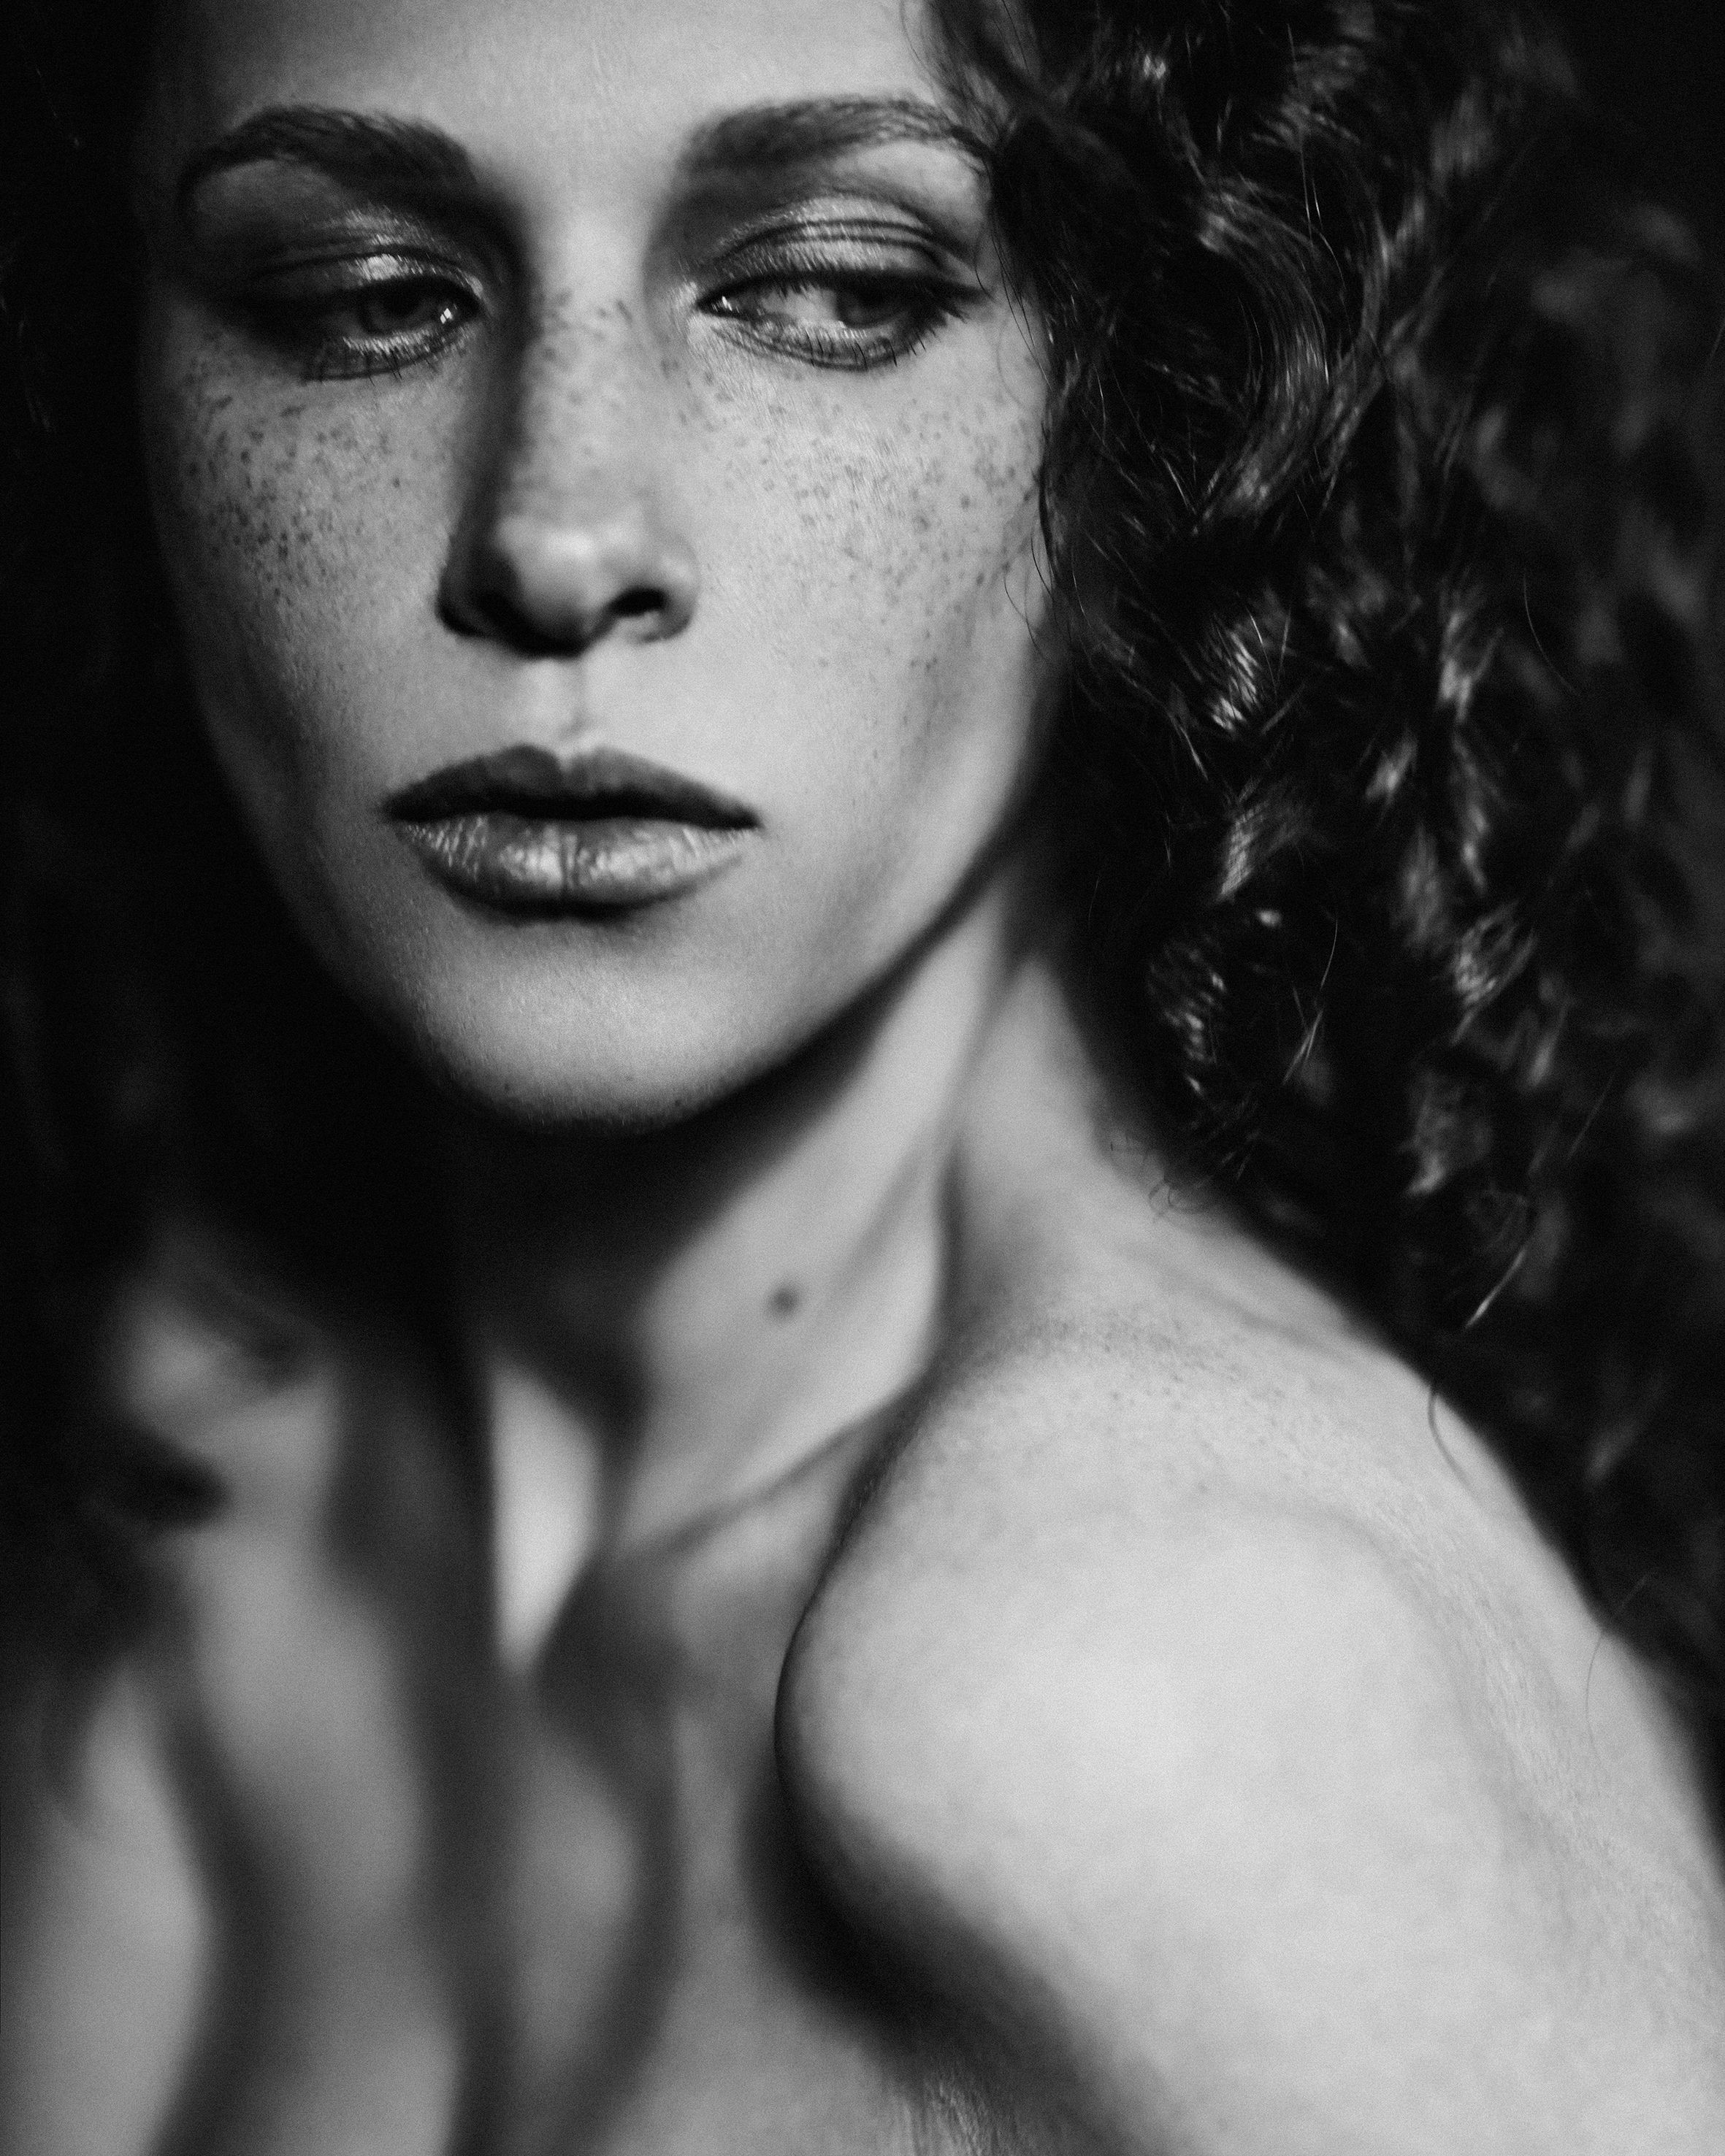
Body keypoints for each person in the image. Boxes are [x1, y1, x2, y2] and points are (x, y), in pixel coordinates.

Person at [4, 0, 1723, 2149]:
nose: (560, 538)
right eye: (361, 298)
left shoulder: (1144, 1664)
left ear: (1147, 395)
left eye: (828, 292)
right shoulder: (227, 1459)